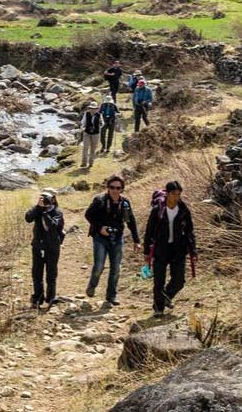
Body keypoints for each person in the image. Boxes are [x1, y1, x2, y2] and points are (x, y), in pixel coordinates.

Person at [142, 181, 196, 317]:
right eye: (173, 194)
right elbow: (149, 231)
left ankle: (166, 297)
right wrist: (146, 252)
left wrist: (193, 250)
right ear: (167, 193)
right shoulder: (158, 210)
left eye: (178, 194)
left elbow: (190, 231)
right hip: (161, 249)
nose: (176, 197)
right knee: (159, 281)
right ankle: (158, 308)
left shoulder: (183, 210)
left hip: (178, 249)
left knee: (179, 280)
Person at [84, 175, 138, 306]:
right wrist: (99, 227)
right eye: (112, 187)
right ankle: (92, 285)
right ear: (108, 188)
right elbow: (88, 215)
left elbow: (131, 221)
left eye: (118, 188)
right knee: (99, 266)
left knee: (116, 269)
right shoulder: (100, 200)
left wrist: (137, 240)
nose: (115, 190)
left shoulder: (124, 203)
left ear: (122, 189)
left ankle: (111, 296)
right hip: (100, 238)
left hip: (117, 238)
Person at [26, 190, 66, 309]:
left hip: (52, 247)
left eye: (47, 198)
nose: (46, 201)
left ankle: (51, 297)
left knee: (51, 273)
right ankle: (38, 298)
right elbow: (28, 218)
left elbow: (53, 225)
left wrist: (45, 213)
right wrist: (38, 207)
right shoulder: (38, 210)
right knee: (36, 273)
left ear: (53, 199)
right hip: (38, 246)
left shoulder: (57, 212)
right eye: (43, 198)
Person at [79, 102, 103, 169]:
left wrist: (99, 125)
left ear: (97, 109)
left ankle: (91, 163)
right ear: (89, 108)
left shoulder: (99, 115)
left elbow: (102, 124)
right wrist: (83, 127)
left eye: (94, 108)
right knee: (85, 148)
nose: (93, 110)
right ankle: (84, 163)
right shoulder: (86, 114)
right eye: (91, 108)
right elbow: (83, 122)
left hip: (95, 134)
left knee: (93, 149)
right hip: (87, 133)